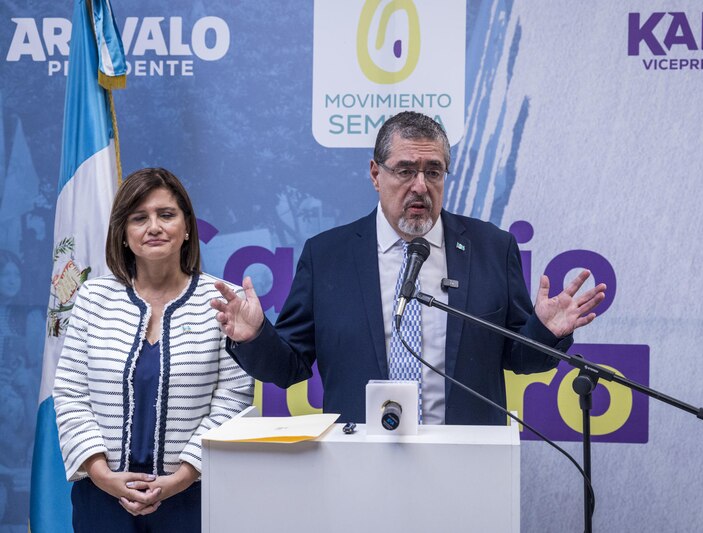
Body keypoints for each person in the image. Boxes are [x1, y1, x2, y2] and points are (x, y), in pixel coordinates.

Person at [212, 112, 605, 426]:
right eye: (405, 170)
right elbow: (291, 366)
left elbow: (522, 359)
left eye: (433, 171)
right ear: (375, 174)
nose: (420, 185)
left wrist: (545, 332)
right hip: (358, 463)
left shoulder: (491, 248)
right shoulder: (327, 256)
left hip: (463, 462)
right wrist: (255, 337)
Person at [53, 168, 253, 531]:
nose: (154, 227)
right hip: (102, 498)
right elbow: (70, 394)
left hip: (194, 496)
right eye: (139, 218)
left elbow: (234, 400)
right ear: (124, 234)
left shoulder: (224, 301)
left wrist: (180, 478)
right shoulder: (92, 299)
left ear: (188, 227)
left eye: (166, 214)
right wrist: (101, 475)